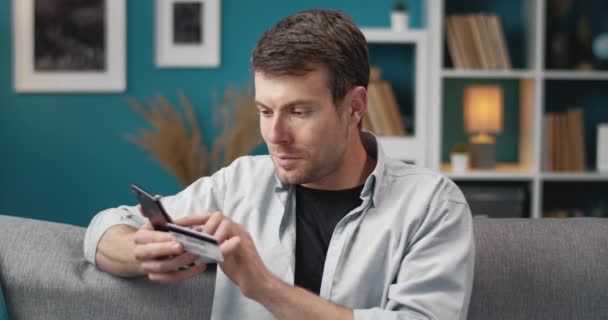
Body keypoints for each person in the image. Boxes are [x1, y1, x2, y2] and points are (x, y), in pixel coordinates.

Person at [84, 9, 474, 320]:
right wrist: (144, 251)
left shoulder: (430, 204)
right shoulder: (239, 184)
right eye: (265, 110)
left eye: (298, 111)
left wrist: (263, 287)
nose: (275, 134)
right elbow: (104, 228)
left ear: (354, 107)